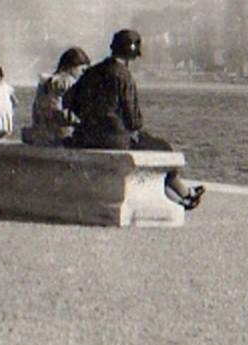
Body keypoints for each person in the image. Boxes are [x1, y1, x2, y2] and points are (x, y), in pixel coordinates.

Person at [65, 29, 205, 210]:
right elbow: (133, 120)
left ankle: (183, 197)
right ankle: (182, 196)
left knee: (150, 146)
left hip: (85, 136)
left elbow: (71, 101)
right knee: (162, 148)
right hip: (114, 139)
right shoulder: (123, 75)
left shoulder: (92, 72)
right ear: (132, 55)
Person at [22, 46, 89, 146]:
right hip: (57, 135)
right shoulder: (67, 81)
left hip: (39, 133)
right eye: (82, 70)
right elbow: (57, 113)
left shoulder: (47, 81)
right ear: (72, 67)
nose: (83, 74)